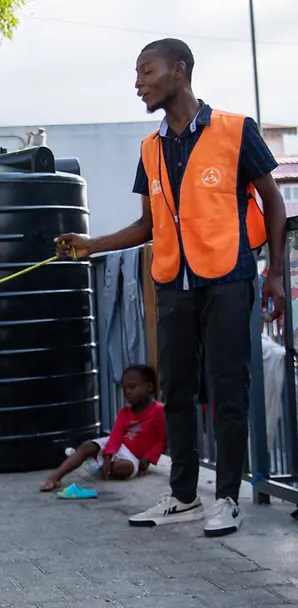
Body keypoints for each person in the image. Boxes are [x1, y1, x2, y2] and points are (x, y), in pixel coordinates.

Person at [56, 39, 286, 537]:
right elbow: (148, 225)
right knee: (177, 390)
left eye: (146, 71)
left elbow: (273, 200)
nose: (138, 83)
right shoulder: (150, 148)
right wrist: (92, 245)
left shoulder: (236, 129)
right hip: (174, 284)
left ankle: (227, 498)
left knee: (229, 390)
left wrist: (275, 274)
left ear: (178, 71)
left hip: (229, 279)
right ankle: (183, 496)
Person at [41, 365, 166, 492]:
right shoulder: (124, 413)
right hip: (118, 445)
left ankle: (97, 464)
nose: (127, 392)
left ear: (149, 387)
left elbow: (162, 440)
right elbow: (115, 436)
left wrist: (147, 458)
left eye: (132, 387)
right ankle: (54, 478)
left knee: (124, 469)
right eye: (124, 389)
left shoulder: (159, 411)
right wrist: (108, 453)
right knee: (86, 446)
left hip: (132, 457)